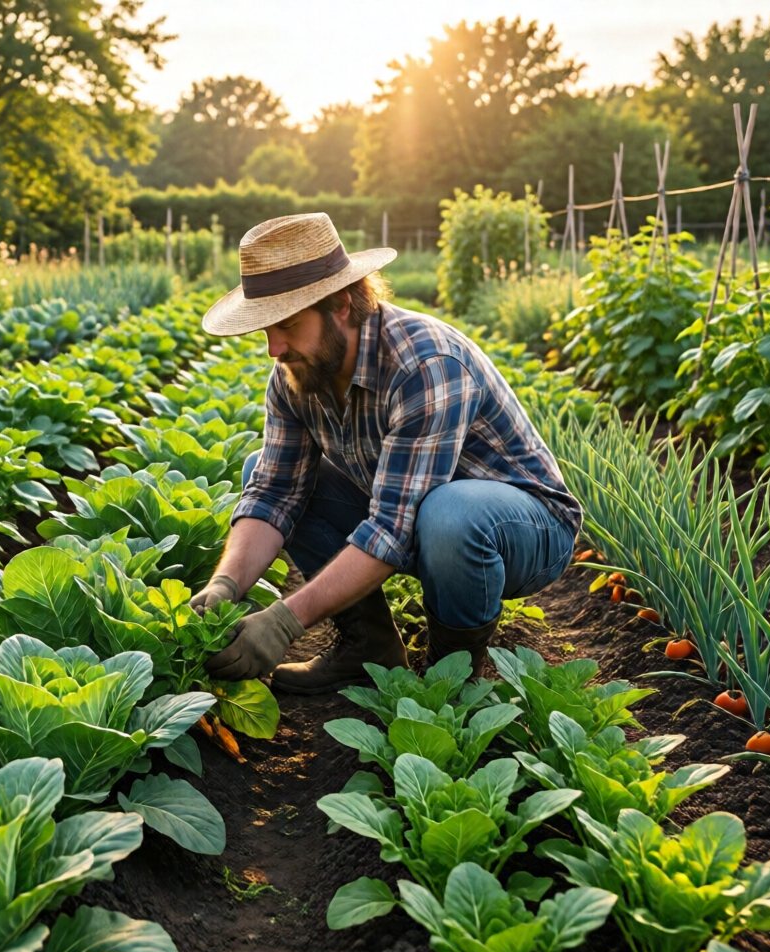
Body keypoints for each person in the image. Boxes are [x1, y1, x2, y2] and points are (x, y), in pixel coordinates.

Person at [190, 212, 582, 694]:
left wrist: (285, 622)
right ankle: (366, 649)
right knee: (261, 469)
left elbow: (394, 528)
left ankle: (450, 677)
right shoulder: (298, 376)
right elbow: (273, 493)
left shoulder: (425, 363)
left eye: (287, 325)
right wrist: (225, 585)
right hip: (416, 519)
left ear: (339, 304)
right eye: (265, 330)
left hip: (523, 529)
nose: (274, 348)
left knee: (450, 513)